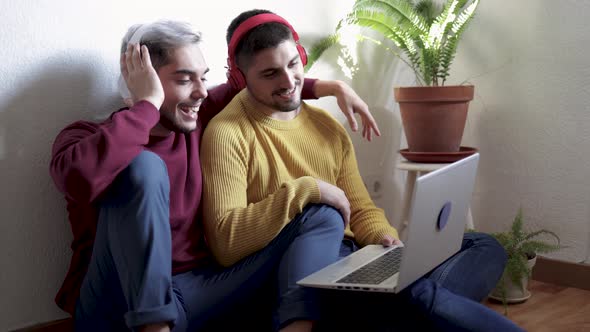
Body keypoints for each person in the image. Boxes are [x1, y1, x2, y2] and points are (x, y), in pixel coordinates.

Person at [201, 9, 525, 332]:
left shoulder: (326, 127)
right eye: (270, 74)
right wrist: (305, 190)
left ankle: (408, 311)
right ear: (241, 78)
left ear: (301, 57)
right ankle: (415, 307)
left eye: (293, 64)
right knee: (418, 293)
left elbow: (361, 208)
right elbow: (226, 243)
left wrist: (386, 239)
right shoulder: (227, 133)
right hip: (303, 279)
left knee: (483, 246)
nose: (289, 81)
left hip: (352, 262)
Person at [49, 20, 381, 332]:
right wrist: (147, 105)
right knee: (144, 165)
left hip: (197, 291)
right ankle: (155, 325)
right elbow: (79, 179)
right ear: (140, 80)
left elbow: (261, 81)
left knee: (320, 213)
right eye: (183, 79)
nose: (201, 92)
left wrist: (332, 87)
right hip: (115, 304)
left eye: (202, 77)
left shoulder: (197, 120)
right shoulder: (85, 138)